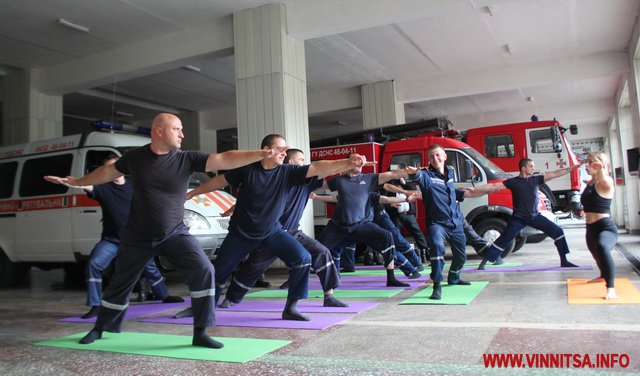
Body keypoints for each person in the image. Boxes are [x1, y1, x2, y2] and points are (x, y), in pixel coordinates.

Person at [44, 113, 280, 349]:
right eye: (177, 129)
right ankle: (100, 328)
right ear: (159, 131)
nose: (182, 134)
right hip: (137, 236)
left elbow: (224, 158)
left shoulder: (187, 158)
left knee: (204, 270)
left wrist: (260, 154)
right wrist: (77, 182)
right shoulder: (135, 158)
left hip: (175, 233)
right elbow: (108, 173)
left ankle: (201, 332)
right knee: (120, 283)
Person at [186, 135, 367, 321]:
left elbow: (319, 167)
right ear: (266, 150)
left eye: (285, 150)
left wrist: (347, 162)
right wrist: (192, 193)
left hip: (272, 231)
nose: (284, 153)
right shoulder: (248, 169)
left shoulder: (288, 172)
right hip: (241, 233)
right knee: (219, 272)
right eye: (280, 149)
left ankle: (291, 308)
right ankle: (201, 308)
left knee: (303, 258)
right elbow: (220, 181)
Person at [46, 154, 183, 319]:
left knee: (150, 269)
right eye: (109, 169)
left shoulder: (135, 186)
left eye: (116, 167)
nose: (113, 171)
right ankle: (95, 305)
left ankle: (164, 296)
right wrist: (63, 181)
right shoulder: (102, 188)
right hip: (111, 240)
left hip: (136, 240)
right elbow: (85, 185)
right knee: (94, 265)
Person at [217, 148, 349, 309]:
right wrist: (232, 209)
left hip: (293, 232)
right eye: (301, 159)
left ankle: (329, 295)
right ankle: (231, 298)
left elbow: (329, 180)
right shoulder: (278, 179)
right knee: (254, 267)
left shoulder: (307, 181)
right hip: (273, 233)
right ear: (291, 162)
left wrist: (348, 167)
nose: (304, 162)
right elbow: (251, 198)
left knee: (322, 252)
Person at [316, 156, 420, 287]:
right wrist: (315, 194)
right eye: (357, 160)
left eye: (362, 161)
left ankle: (392, 278)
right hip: (337, 226)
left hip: (361, 225)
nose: (360, 163)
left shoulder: (368, 179)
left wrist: (408, 173)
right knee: (316, 249)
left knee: (387, 236)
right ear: (348, 163)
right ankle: (296, 278)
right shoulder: (339, 180)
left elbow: (391, 175)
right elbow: (319, 183)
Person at [413, 144, 497, 300]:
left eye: (438, 155)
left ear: (445, 156)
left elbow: (450, 191)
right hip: (437, 223)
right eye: (431, 156)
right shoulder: (425, 175)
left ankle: (454, 277)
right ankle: (437, 285)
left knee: (461, 257)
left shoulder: (450, 171)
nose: (435, 158)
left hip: (455, 222)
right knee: (437, 248)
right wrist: (412, 173)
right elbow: (416, 177)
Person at [477, 158, 581, 270]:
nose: (533, 168)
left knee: (558, 231)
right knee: (504, 239)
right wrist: (474, 189)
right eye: (531, 166)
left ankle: (564, 261)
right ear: (523, 168)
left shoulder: (536, 180)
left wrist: (572, 168)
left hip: (535, 216)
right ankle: (483, 262)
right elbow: (493, 187)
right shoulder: (513, 182)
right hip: (518, 218)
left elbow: (555, 174)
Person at [582, 152, 617, 299]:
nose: (587, 165)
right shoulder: (591, 183)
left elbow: (606, 181)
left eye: (591, 163)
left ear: (599, 164)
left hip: (605, 227)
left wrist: (601, 169)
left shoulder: (606, 181)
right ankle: (603, 275)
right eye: (587, 162)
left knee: (603, 247)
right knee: (596, 255)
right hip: (590, 228)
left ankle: (611, 288)